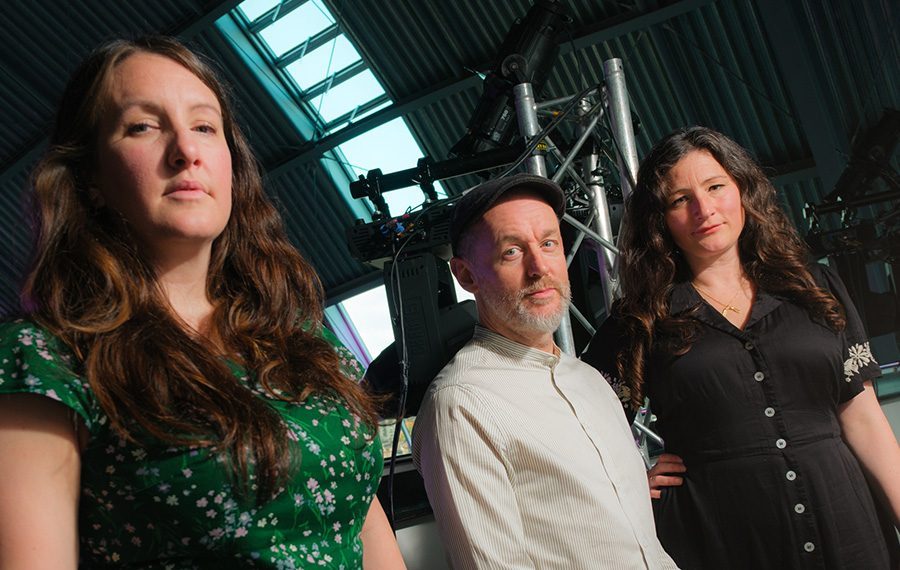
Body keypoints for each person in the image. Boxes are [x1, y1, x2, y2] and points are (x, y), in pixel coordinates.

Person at [0, 36, 406, 569]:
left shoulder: (297, 338)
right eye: (143, 126)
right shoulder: (45, 363)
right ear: (91, 179)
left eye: (204, 127)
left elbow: (359, 519)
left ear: (230, 165)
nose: (185, 150)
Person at [582, 126, 900, 569]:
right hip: (723, 537)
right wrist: (627, 481)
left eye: (715, 187)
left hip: (848, 525)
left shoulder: (814, 288)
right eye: (680, 200)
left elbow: (863, 419)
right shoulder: (641, 319)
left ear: (742, 190)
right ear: (661, 219)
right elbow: (579, 422)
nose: (704, 209)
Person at [412, 173, 678, 569]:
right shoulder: (460, 404)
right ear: (467, 276)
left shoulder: (587, 379)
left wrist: (629, 486)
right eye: (512, 252)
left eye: (549, 243)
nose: (539, 267)